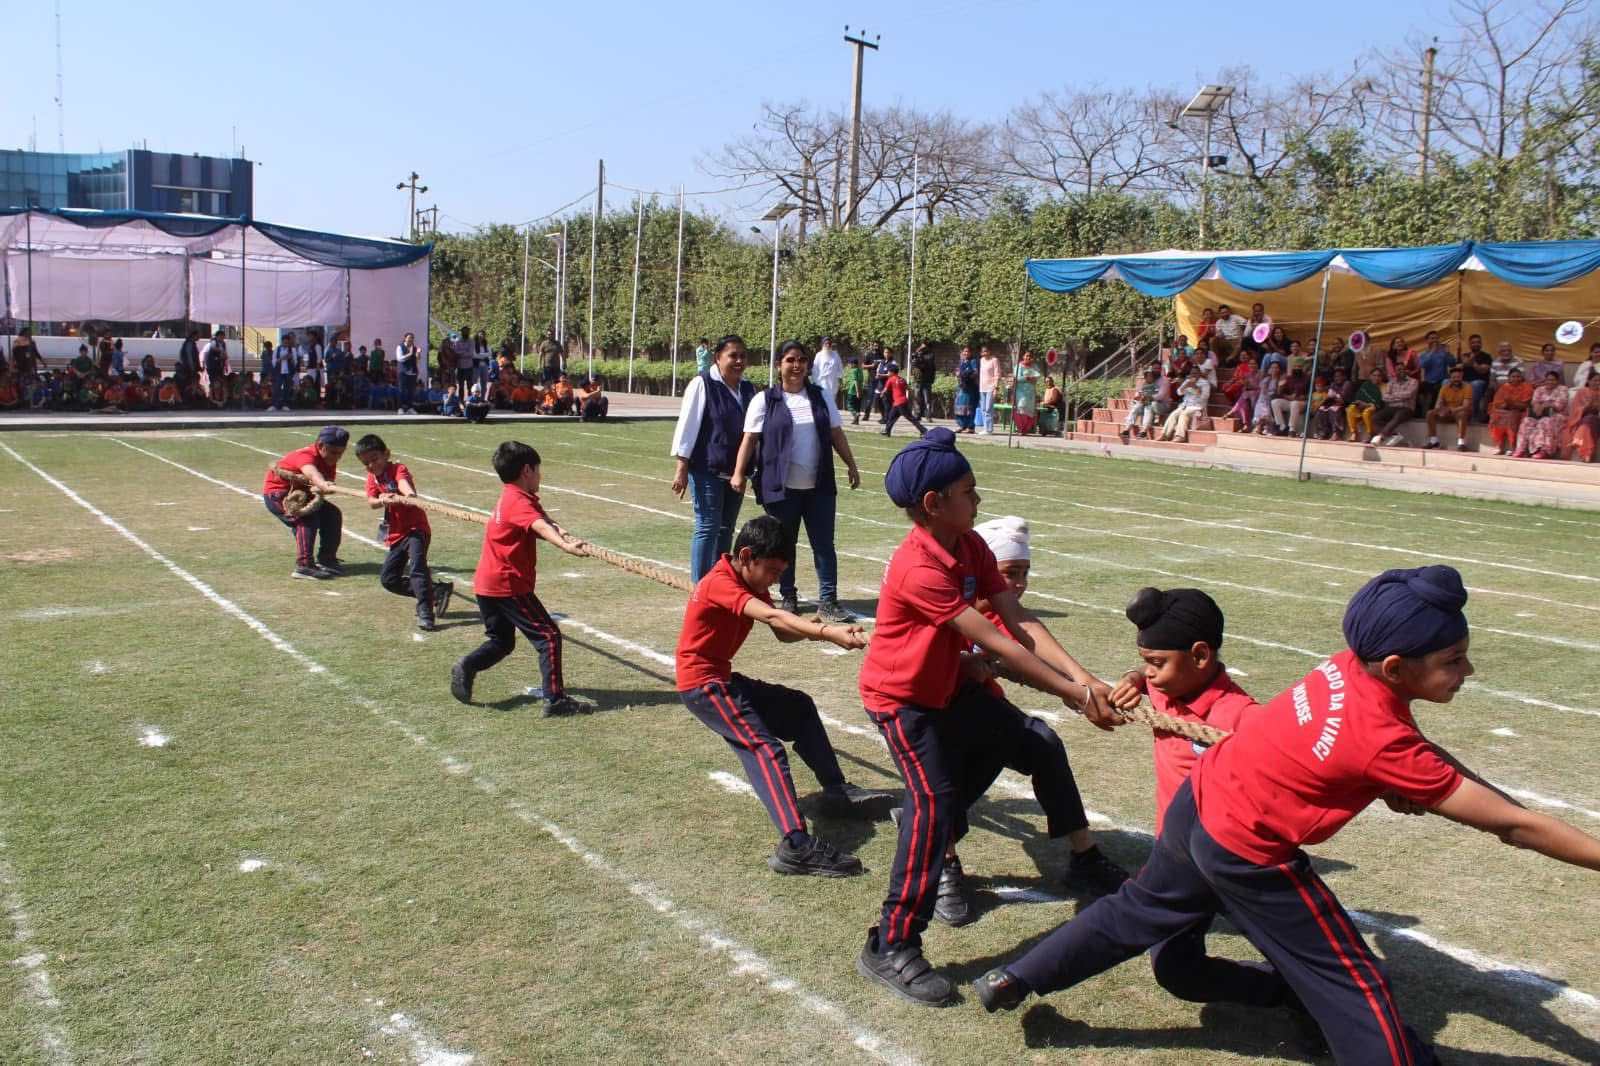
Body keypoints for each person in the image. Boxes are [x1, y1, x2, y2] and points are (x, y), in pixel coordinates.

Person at [975, 565, 1600, 1065]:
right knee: (1353, 982)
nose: (1468, 670)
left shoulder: (1344, 664)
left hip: (1197, 808)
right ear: (1395, 668)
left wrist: (1444, 787)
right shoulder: (1383, 739)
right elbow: (1513, 827)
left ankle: (1017, 977)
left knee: (1135, 911)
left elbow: (1428, 765)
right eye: (1454, 659)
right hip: (1244, 849)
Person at [854, 429, 1118, 1006]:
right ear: (933, 503)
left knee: (1034, 743)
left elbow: (1017, 619)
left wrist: (1087, 680)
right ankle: (891, 943)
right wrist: (1074, 694)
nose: (978, 500)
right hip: (904, 701)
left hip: (951, 686)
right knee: (934, 803)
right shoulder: (918, 566)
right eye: (969, 491)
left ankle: (1082, 861)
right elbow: (999, 643)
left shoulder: (970, 544)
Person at [1095, 586, 1322, 1040]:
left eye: (1155, 662)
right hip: (1179, 860)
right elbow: (1149, 680)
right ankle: (1282, 992)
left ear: (1200, 656)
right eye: (1145, 662)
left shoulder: (1240, 715)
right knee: (1176, 969)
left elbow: (1299, 759)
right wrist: (1135, 677)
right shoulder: (1167, 688)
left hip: (1238, 862)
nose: (1149, 673)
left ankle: (1322, 1006)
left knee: (1301, 954)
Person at [676, 514, 889, 875]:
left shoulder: (750, 581)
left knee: (799, 708)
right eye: (773, 570)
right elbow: (775, 619)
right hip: (703, 685)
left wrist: (820, 628)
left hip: (722, 678)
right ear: (747, 556)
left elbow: (783, 632)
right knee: (764, 748)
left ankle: (836, 791)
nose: (776, 579)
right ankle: (796, 845)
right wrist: (826, 633)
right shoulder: (721, 582)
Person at [450, 441, 593, 716]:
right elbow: (538, 525)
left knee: (502, 642)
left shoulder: (513, 496)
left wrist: (562, 532)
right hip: (507, 584)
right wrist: (565, 546)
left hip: (487, 583)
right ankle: (555, 701)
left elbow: (542, 520)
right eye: (538, 469)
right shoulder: (518, 501)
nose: (540, 475)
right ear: (527, 470)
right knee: (548, 636)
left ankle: (467, 666)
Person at [729, 340, 861, 621]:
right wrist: (739, 472)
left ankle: (829, 600)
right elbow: (749, 439)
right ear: (779, 365)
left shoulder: (820, 396)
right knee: (782, 546)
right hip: (781, 488)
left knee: (824, 545)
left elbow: (836, 434)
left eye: (801, 360)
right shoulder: (765, 400)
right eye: (790, 360)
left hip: (819, 487)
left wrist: (851, 465)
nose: (796, 365)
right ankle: (788, 596)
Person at [670, 335, 757, 583]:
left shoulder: (748, 388)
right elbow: (687, 427)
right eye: (733, 355)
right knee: (708, 526)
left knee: (726, 529)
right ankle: (700, 586)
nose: (738, 361)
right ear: (718, 357)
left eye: (742, 356)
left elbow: (753, 432)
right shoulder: (702, 384)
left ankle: (718, 583)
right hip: (706, 469)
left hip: (736, 472)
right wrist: (681, 467)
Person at [355, 434, 453, 631]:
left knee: (417, 567)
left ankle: (425, 612)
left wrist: (409, 496)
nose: (371, 465)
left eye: (374, 459)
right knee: (389, 580)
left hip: (416, 529)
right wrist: (382, 500)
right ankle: (436, 590)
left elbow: (403, 483)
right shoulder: (372, 478)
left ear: (386, 454)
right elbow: (371, 501)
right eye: (366, 463)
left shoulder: (398, 469)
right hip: (396, 534)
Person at [261, 426, 348, 581]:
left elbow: (322, 482)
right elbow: (312, 473)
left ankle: (327, 559)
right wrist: (322, 483)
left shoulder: (328, 460)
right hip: (279, 494)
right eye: (334, 452)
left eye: (340, 453)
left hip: (304, 495)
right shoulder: (306, 456)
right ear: (320, 445)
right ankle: (304, 565)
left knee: (332, 514)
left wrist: (325, 486)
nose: (337, 457)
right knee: (306, 519)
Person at [1512, 370, 1569, 459]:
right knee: (1526, 421)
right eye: (1548, 380)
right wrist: (1537, 407)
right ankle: (1520, 449)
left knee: (1545, 421)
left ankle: (1543, 450)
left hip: (1557, 415)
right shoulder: (1539, 389)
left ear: (1557, 381)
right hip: (1539, 414)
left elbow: (1559, 406)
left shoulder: (1562, 389)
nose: (1550, 382)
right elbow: (1534, 402)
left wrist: (1544, 405)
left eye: (1553, 380)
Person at [1424, 365, 1473, 450]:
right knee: (1430, 413)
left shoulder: (1467, 387)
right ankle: (1434, 441)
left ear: (1461, 377)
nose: (1456, 379)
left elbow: (1466, 406)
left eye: (1458, 377)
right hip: (1448, 412)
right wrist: (1441, 411)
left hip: (1461, 412)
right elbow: (1438, 404)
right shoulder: (1444, 388)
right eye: (1454, 377)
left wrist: (1450, 410)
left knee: (1462, 414)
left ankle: (1461, 443)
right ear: (1450, 378)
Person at [1488, 367, 1532, 455]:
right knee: (1495, 416)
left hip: (1520, 412)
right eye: (1513, 377)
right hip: (1506, 411)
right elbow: (1497, 403)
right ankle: (1499, 446)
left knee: (1512, 416)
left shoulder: (1527, 387)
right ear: (1509, 378)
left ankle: (1513, 446)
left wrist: (1512, 403)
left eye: (1518, 377)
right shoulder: (1504, 387)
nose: (1516, 379)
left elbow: (1525, 405)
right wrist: (1505, 405)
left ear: (1521, 378)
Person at [1160, 366, 1211, 442]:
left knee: (1183, 414)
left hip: (1197, 407)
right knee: (1174, 414)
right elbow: (1179, 392)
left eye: (1196, 373)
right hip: (1185, 405)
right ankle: (1164, 435)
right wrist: (1185, 386)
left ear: (1199, 373)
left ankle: (1180, 436)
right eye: (1192, 373)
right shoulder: (1187, 381)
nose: (1194, 375)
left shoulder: (1205, 383)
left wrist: (1195, 387)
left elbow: (1205, 397)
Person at [1372, 367, 1419, 446]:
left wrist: (1393, 396)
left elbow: (1408, 394)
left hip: (1407, 408)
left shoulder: (1413, 381)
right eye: (1399, 370)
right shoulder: (1391, 383)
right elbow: (1385, 397)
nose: (1402, 371)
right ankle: (1394, 435)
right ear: (1395, 372)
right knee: (1375, 417)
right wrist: (1400, 397)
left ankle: (1381, 437)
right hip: (1392, 408)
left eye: (1403, 369)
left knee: (1398, 416)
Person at [880, 361, 926, 437]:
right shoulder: (902, 379)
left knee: (910, 417)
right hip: (901, 402)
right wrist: (915, 398)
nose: (887, 373)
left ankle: (923, 430)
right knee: (891, 417)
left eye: (888, 371)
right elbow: (909, 389)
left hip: (899, 403)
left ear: (892, 372)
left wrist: (881, 394)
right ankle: (887, 431)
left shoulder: (891, 379)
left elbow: (885, 389)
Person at [1121, 366, 1165, 442]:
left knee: (1148, 409)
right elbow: (1137, 395)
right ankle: (1127, 430)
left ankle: (1144, 432)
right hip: (1142, 403)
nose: (1149, 377)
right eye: (1147, 376)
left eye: (1150, 376)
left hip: (1151, 404)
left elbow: (1158, 397)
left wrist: (1148, 397)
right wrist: (1139, 398)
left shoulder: (1156, 384)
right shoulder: (1143, 385)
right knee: (1135, 408)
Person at [1417, 330, 1455, 413]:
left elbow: (1452, 364)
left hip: (1442, 380)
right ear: (1427, 341)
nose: (1435, 340)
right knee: (1417, 388)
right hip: (1429, 381)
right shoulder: (1423, 354)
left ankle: (1432, 411)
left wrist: (1447, 353)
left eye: (1436, 338)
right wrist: (1432, 353)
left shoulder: (1443, 352)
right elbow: (1422, 365)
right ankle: (1417, 412)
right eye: (1432, 338)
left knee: (1437, 389)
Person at [1563, 375, 1599, 462]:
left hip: (1597, 419)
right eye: (1595, 380)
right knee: (1589, 421)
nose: (1598, 383)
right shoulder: (1582, 392)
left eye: (1599, 381)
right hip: (1581, 419)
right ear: (1589, 381)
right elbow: (1576, 409)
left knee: (1590, 420)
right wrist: (1587, 406)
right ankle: (1586, 455)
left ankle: (1578, 441)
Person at [1345, 368, 1384, 441]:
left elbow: (1381, 402)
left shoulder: (1384, 387)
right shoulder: (1366, 384)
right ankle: (1354, 433)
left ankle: (1370, 433)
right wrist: (1358, 402)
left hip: (1375, 407)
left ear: (1382, 377)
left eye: (1379, 376)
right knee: (1350, 409)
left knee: (1367, 412)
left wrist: (1367, 404)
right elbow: (1358, 396)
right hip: (1362, 405)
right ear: (1370, 376)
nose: (1376, 377)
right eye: (1374, 375)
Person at [1314, 368, 1354, 440]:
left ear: (1344, 377)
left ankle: (1336, 432)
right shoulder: (1333, 384)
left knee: (1333, 409)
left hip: (1345, 404)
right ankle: (1324, 431)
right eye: (1335, 376)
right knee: (1321, 409)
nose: (1337, 378)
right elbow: (1330, 396)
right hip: (1334, 403)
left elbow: (1342, 397)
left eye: (1339, 376)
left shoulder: (1347, 383)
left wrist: (1334, 397)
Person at [1271, 366, 1310, 435]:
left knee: (1294, 403)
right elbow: (1282, 394)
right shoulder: (1289, 378)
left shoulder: (1307, 378)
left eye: (1299, 367)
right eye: (1295, 367)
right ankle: (1282, 427)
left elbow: (1311, 393)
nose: (1297, 368)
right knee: (1275, 402)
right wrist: (1287, 395)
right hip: (1290, 400)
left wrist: (1303, 397)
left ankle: (1292, 429)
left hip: (1302, 402)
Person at [1011, 351, 1041, 434]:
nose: (1028, 357)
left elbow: (1037, 377)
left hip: (1030, 392)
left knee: (1030, 410)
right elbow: (1017, 378)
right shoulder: (1019, 366)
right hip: (1020, 391)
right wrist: (1027, 378)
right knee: (1021, 407)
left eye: (1030, 356)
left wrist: (1031, 378)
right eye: (1026, 356)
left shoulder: (1034, 366)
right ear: (1023, 357)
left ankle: (1026, 429)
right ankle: (1020, 428)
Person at [953, 347, 979, 433]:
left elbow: (975, 373)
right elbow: (957, 372)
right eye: (965, 351)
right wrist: (959, 374)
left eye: (968, 351)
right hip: (961, 387)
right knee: (959, 407)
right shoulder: (961, 361)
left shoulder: (973, 362)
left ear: (970, 353)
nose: (966, 353)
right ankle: (962, 426)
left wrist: (964, 374)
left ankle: (970, 427)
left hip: (970, 388)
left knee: (969, 408)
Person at [977, 345, 1001, 434]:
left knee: (988, 408)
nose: (984, 353)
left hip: (991, 387)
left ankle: (989, 429)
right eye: (983, 352)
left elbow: (997, 374)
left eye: (986, 351)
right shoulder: (981, 360)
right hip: (982, 387)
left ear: (989, 351)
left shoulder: (994, 360)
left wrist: (996, 388)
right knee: (983, 408)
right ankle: (985, 428)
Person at [395, 332, 421, 414]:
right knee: (402, 390)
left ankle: (410, 408)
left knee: (411, 391)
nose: (410, 339)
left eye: (412, 338)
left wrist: (418, 353)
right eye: (409, 337)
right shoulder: (400, 347)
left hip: (412, 372)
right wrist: (409, 354)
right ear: (405, 338)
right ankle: (400, 408)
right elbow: (400, 359)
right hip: (403, 371)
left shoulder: (414, 348)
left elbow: (417, 359)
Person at [812, 336, 844, 402]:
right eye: (826, 343)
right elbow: (815, 370)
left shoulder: (835, 355)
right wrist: (816, 382)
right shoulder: (819, 355)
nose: (828, 345)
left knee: (832, 400)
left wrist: (840, 377)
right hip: (822, 382)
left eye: (829, 343)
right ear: (823, 344)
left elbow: (840, 366)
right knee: (824, 400)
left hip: (833, 381)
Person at [911, 342, 936, 420]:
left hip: (927, 379)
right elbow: (914, 361)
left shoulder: (930, 354)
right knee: (917, 397)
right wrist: (918, 351)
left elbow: (924, 363)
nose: (922, 347)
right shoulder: (918, 353)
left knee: (927, 398)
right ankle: (917, 414)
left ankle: (928, 415)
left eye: (923, 346)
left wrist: (919, 356)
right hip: (918, 379)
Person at [842, 356, 868, 426]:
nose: (848, 365)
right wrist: (859, 392)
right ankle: (856, 421)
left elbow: (855, 381)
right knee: (857, 406)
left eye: (849, 363)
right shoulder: (860, 370)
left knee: (849, 405)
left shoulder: (853, 371)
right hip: (860, 390)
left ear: (853, 364)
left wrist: (857, 392)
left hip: (853, 391)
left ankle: (855, 414)